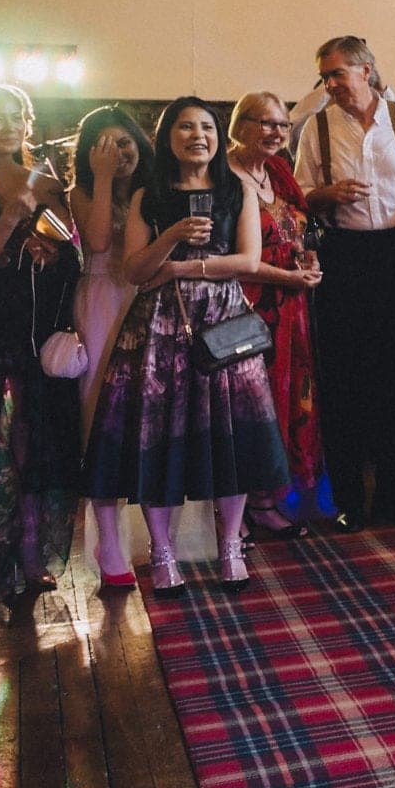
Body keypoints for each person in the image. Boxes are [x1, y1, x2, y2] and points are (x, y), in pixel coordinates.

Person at [84, 97, 287, 594]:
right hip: (159, 325)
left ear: (218, 137)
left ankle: (231, 548)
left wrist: (179, 268)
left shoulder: (235, 189)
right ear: (167, 136)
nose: (198, 136)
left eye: (207, 127)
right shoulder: (148, 197)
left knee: (233, 439)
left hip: (224, 323)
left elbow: (248, 261)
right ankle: (162, 553)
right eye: (185, 127)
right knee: (159, 437)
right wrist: (172, 236)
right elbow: (133, 270)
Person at [295, 35, 395, 529]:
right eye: (325, 76)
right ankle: (348, 501)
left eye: (338, 73)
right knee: (345, 380)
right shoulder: (316, 128)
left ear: (366, 70)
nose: (331, 84)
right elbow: (298, 196)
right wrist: (327, 194)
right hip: (345, 258)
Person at [0, 84, 80, 628]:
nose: (8, 127)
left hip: (45, 334)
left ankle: (32, 559)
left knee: (37, 449)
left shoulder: (50, 179)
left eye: (16, 117)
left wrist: (49, 246)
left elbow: (77, 249)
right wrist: (11, 219)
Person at [228, 92, 324, 540]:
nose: (275, 133)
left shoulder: (280, 172)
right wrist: (286, 277)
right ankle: (234, 509)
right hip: (245, 305)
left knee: (284, 399)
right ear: (238, 124)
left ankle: (265, 501)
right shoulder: (223, 175)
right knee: (248, 403)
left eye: (282, 125)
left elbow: (304, 228)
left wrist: (309, 261)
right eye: (264, 123)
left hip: (290, 306)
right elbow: (226, 252)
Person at [68, 105, 153, 427]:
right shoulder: (80, 193)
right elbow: (99, 241)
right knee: (101, 384)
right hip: (103, 296)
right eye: (104, 147)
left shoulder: (151, 192)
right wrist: (102, 177)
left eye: (123, 143)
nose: (117, 153)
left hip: (145, 289)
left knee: (147, 382)